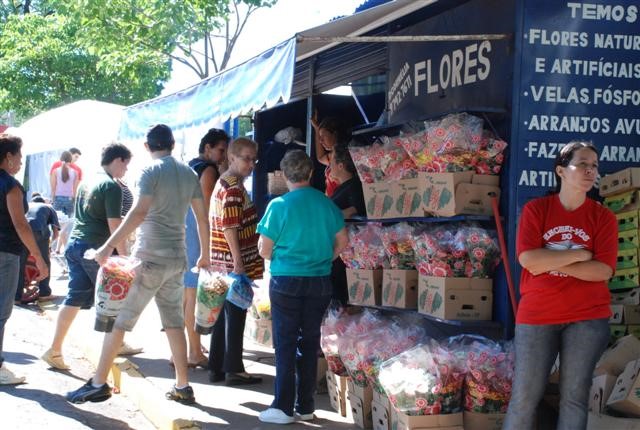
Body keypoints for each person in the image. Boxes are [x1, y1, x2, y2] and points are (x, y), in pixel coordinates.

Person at [65, 124, 210, 405]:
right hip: (178, 258)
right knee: (174, 323)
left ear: (147, 147)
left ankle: (98, 383)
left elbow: (139, 212)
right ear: (171, 144)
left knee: (119, 320)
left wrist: (107, 247)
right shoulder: (189, 173)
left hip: (150, 257)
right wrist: (204, 254)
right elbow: (202, 218)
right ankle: (182, 386)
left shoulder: (150, 172)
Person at [503, 141, 617, 430]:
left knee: (574, 398)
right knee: (524, 397)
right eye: (582, 164)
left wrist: (550, 260)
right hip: (537, 315)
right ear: (561, 171)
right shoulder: (537, 210)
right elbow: (529, 259)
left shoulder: (603, 217)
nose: (590, 171)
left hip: (588, 318)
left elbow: (602, 270)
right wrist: (579, 255)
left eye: (594, 165)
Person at [256, 150, 348, 424]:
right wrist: (321, 258)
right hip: (320, 280)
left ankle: (283, 408)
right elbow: (342, 242)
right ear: (311, 173)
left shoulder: (279, 205)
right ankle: (305, 405)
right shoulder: (327, 204)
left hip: (286, 280)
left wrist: (287, 258)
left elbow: (264, 249)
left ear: (285, 175)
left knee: (284, 343)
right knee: (309, 343)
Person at [42, 143, 132, 371]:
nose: (126, 170)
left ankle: (54, 349)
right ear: (119, 160)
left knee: (74, 298)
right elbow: (115, 227)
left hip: (75, 245)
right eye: (126, 164)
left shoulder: (88, 180)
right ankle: (116, 344)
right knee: (115, 298)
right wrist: (126, 258)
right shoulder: (111, 186)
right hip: (96, 247)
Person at [208, 137, 263, 385]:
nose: (251, 164)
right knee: (236, 314)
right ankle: (234, 369)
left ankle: (218, 366)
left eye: (253, 159)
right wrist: (239, 262)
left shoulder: (225, 183)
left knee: (223, 316)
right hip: (233, 265)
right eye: (246, 158)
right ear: (232, 158)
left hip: (223, 262)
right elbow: (230, 227)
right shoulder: (233, 189)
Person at [0, 134, 48, 385]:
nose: (20, 161)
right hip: (5, 253)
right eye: (18, 156)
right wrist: (38, 256)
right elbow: (20, 224)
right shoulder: (10, 185)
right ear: (8, 157)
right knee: (1, 311)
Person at [181, 128, 229, 368]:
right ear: (207, 148)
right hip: (198, 235)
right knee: (192, 295)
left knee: (184, 295)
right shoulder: (208, 170)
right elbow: (208, 211)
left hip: (182, 232)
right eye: (220, 150)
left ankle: (183, 350)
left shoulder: (190, 166)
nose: (223, 155)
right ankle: (193, 352)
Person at [329, 146, 366, 305]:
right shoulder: (345, 187)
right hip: (341, 250)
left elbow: (355, 211)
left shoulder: (355, 186)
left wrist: (326, 217)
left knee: (342, 298)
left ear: (341, 165)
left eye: (332, 161)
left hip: (347, 253)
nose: (329, 165)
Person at [15, 193, 60, 303]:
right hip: (38, 231)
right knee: (45, 262)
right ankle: (44, 293)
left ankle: (17, 297)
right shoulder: (49, 207)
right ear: (43, 202)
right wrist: (47, 247)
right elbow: (56, 233)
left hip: (22, 232)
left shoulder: (26, 205)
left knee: (20, 264)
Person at [311, 114, 351, 197]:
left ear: (335, 134)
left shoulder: (345, 156)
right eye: (320, 137)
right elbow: (320, 157)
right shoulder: (332, 156)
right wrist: (316, 129)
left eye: (323, 136)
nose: (321, 141)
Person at [50, 150, 80, 217]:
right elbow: (75, 189)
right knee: (68, 223)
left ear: (61, 159)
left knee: (56, 223)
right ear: (70, 159)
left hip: (58, 198)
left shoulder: (55, 171)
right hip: (69, 199)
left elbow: (53, 188)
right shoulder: (75, 173)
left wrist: (52, 200)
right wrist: (74, 201)